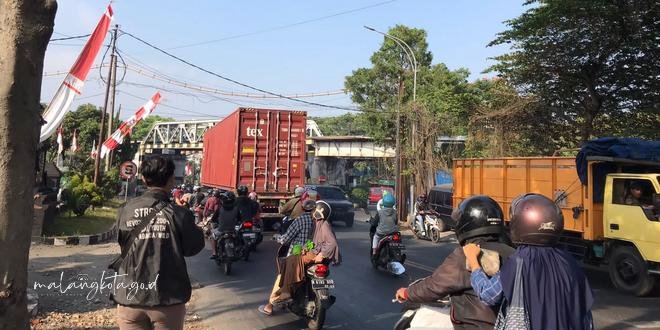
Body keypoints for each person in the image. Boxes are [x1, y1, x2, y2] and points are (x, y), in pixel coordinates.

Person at [464, 193, 594, 330]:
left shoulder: (519, 262)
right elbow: (586, 316)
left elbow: (489, 295)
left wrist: (474, 263)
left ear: (521, 223)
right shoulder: (570, 263)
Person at [393, 195, 515, 329]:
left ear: (466, 223)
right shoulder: (514, 253)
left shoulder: (468, 253)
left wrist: (407, 293)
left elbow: (435, 285)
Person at [113, 156, 205, 330]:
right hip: (167, 300)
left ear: (143, 178)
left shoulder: (125, 210)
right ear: (171, 179)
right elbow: (193, 248)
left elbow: (122, 243)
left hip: (129, 297)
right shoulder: (179, 213)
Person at [259, 199, 316, 316]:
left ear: (302, 208)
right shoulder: (317, 221)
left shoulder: (300, 220)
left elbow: (286, 239)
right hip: (312, 253)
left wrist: (277, 237)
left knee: (282, 277)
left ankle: (270, 305)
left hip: (297, 251)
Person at [210, 191, 242, 259]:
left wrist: (216, 222)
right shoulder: (236, 209)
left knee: (212, 237)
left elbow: (213, 219)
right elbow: (239, 219)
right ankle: (237, 250)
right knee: (239, 237)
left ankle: (214, 253)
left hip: (221, 230)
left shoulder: (219, 209)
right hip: (232, 230)